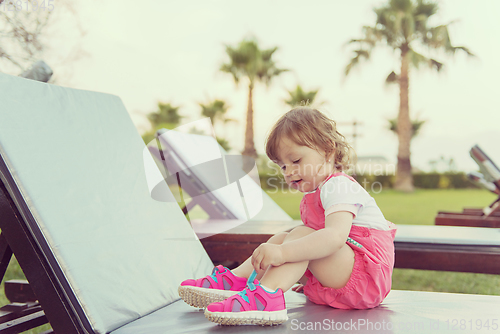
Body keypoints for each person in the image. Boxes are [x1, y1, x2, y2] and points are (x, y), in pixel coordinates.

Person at [178, 107, 397, 326]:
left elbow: (334, 238)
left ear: (328, 151)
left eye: (296, 160)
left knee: (297, 237)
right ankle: (238, 280)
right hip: (347, 279)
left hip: (365, 281)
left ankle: (267, 296)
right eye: (282, 165)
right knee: (282, 237)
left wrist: (283, 253)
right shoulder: (317, 192)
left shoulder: (338, 186)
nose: (288, 171)